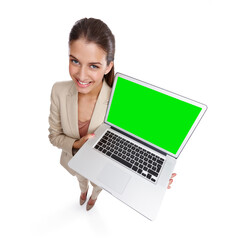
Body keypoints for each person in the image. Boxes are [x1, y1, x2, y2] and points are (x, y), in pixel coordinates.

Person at [48, 17, 176, 212]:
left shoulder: (120, 100)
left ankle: (94, 196)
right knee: (81, 178)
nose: (81, 75)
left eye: (93, 66)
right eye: (75, 61)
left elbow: (134, 143)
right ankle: (83, 191)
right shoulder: (58, 90)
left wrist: (152, 176)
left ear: (108, 66)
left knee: (98, 185)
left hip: (103, 169)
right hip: (73, 158)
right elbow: (54, 136)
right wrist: (75, 145)